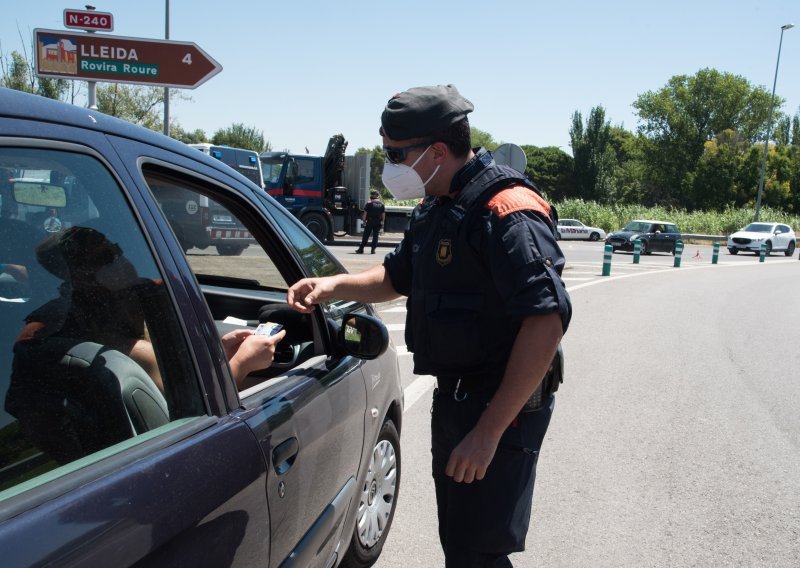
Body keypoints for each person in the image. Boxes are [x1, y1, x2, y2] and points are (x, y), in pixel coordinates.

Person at [287, 84, 571, 567]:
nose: (389, 166)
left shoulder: (507, 211)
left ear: (437, 151)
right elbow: (398, 275)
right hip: (459, 398)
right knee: (460, 539)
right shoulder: (439, 204)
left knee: (479, 550)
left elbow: (545, 322)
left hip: (500, 408)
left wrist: (487, 433)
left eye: (396, 155)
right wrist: (333, 286)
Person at [16, 226, 284, 390]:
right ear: (79, 275)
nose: (121, 257)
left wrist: (221, 352)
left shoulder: (128, 297)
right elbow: (203, 403)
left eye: (118, 248)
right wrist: (244, 363)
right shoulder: (124, 348)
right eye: (107, 255)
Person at [355, 190, 386, 254]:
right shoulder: (381, 204)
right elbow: (383, 214)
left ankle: (361, 249)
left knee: (366, 235)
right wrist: (382, 222)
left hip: (370, 221)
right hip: (377, 221)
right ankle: (373, 249)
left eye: (372, 194)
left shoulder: (369, 203)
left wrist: (363, 220)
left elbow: (365, 213)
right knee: (375, 236)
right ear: (377, 196)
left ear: (372, 196)